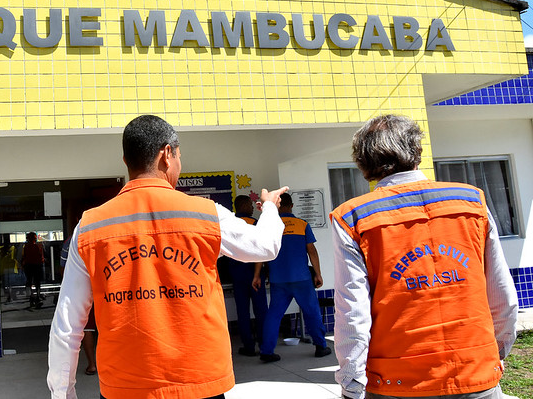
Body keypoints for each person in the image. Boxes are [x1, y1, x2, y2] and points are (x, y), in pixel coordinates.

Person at [48, 114, 288, 399]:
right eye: (179, 156)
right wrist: (269, 206)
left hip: (125, 387)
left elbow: (67, 324)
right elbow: (265, 246)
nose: (179, 164)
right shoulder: (206, 213)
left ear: (126, 160)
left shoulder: (90, 226)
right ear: (166, 154)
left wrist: (63, 393)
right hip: (198, 383)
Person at [330, 114, 519, 399]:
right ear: (416, 151)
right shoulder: (472, 200)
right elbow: (502, 293)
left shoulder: (352, 217)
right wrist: (495, 352)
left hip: (397, 381)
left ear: (364, 161)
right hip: (476, 372)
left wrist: (351, 383)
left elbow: (352, 312)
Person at [256, 192, 331, 362]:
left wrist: (256, 275)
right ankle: (320, 346)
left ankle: (266, 351)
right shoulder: (302, 224)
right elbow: (311, 251)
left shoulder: (269, 226)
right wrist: (318, 274)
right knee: (312, 312)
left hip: (278, 280)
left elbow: (261, 253)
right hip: (302, 278)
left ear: (277, 207)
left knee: (274, 315)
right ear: (291, 206)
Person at [229, 194, 268, 356]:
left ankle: (248, 347)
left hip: (237, 274)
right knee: (261, 311)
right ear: (243, 205)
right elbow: (261, 249)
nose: (252, 208)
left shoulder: (230, 224)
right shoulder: (255, 224)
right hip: (255, 274)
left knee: (242, 312)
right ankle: (264, 345)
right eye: (250, 205)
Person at [59, 236, 98, 376]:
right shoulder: (103, 233)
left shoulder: (71, 241)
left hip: (82, 289)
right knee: (109, 324)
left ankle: (92, 365)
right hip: (104, 286)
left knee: (87, 327)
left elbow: (63, 269)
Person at [21, 231, 45, 308]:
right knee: (37, 282)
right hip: (36, 265)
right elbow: (41, 256)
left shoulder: (26, 246)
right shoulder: (39, 246)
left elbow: (23, 257)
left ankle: (32, 296)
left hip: (29, 265)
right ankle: (37, 296)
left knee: (30, 281)